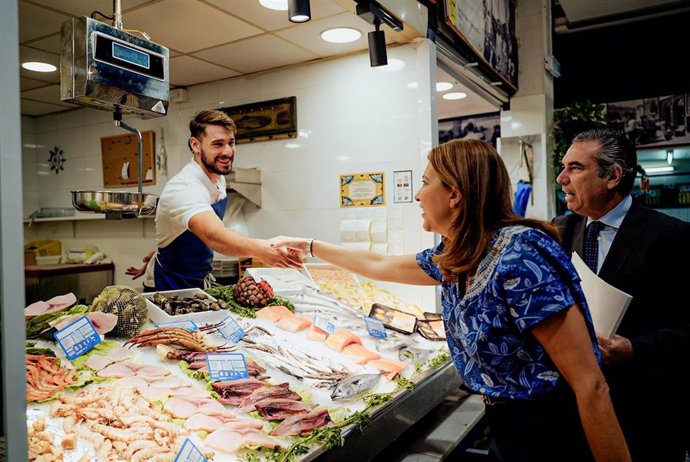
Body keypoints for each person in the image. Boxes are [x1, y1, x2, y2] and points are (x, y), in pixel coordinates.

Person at [273, 139, 630, 462]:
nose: (417, 195)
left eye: (426, 183)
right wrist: (309, 247)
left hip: (551, 431)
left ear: (455, 195)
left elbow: (590, 383)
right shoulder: (457, 255)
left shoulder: (520, 254)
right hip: (505, 424)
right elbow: (378, 264)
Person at [554, 128, 690, 462]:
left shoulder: (670, 236)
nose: (561, 178)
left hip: (645, 412)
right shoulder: (560, 230)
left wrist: (634, 349)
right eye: (563, 167)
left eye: (575, 168)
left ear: (612, 176)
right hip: (575, 411)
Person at [149, 109, 301, 291]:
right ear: (195, 145)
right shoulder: (185, 187)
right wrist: (263, 249)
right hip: (169, 284)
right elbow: (214, 236)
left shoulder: (218, 177)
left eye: (231, 143)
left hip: (198, 280)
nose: (228, 152)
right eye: (218, 144)